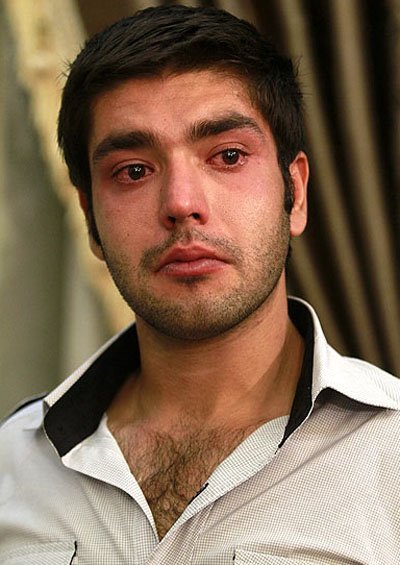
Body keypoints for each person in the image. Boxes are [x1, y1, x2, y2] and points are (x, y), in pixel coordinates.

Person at [1, 4, 399, 563]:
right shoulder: (14, 466)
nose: (181, 203)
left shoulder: (390, 456)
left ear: (295, 194)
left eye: (228, 156)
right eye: (133, 171)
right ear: (91, 221)